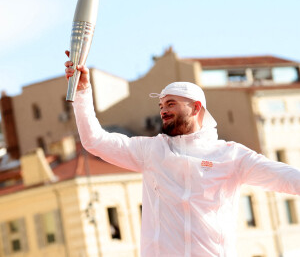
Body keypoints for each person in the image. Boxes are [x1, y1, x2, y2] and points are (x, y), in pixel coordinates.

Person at [65, 54, 300, 257]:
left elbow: (284, 177)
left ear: (196, 108)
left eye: (171, 103)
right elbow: (94, 140)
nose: (163, 110)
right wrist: (82, 91)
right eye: (161, 105)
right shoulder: (150, 151)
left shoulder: (231, 155)